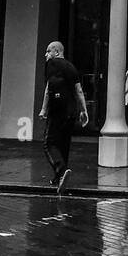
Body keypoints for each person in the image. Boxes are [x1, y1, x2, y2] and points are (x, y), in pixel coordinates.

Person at [39, 40, 88, 192]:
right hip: (71, 111)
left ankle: (61, 171)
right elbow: (79, 91)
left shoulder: (52, 64)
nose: (46, 55)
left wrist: (44, 109)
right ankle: (59, 178)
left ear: (57, 52)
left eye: (48, 51)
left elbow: (49, 88)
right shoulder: (72, 67)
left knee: (49, 143)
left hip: (57, 109)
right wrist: (84, 110)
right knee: (63, 144)